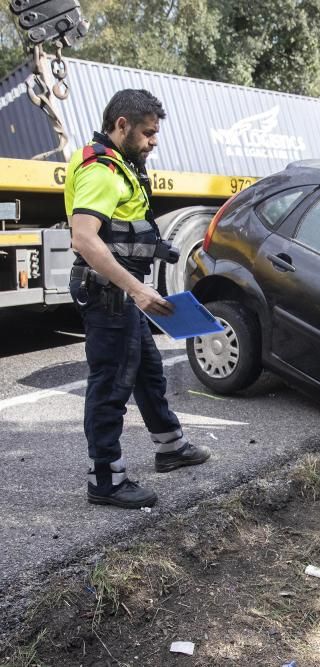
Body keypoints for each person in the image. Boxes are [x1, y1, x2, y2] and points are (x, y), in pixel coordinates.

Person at [65, 89, 210, 509]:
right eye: (147, 133)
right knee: (111, 384)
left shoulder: (115, 163)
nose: (153, 141)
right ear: (122, 125)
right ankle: (105, 479)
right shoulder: (103, 171)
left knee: (148, 371)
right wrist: (137, 288)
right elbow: (85, 239)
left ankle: (171, 446)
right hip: (109, 293)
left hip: (116, 291)